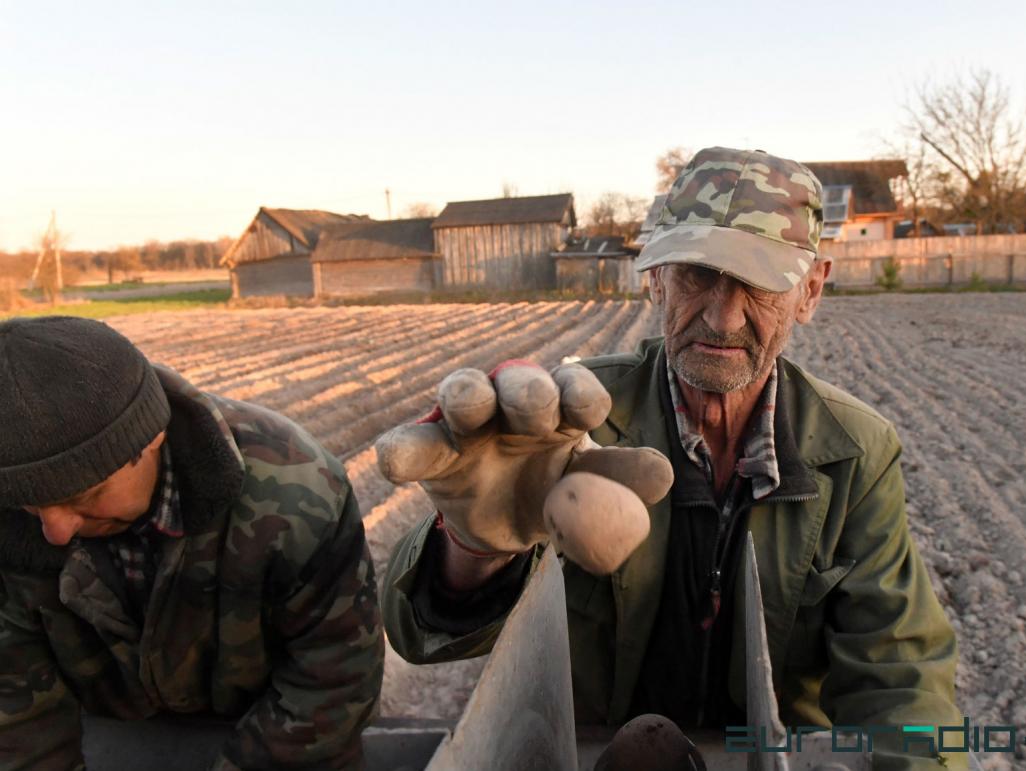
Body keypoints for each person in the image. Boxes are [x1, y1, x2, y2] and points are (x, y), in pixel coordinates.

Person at [379, 147, 964, 769]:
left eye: (760, 283)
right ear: (656, 278)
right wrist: (477, 550)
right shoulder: (574, 422)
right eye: (696, 275)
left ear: (809, 291)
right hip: (592, 753)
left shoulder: (853, 453)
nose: (722, 316)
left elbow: (899, 675)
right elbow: (418, 636)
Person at [0, 316, 384, 770]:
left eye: (84, 497)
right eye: (33, 506)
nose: (55, 532)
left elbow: (331, 682)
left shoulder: (295, 493)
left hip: (274, 742)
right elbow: (16, 711)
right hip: (113, 737)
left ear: (151, 437)